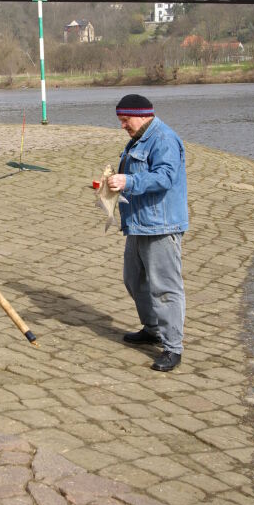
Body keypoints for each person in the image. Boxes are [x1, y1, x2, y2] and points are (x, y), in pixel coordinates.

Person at [107, 94, 188, 372]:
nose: (123, 126)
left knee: (165, 288)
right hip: (139, 224)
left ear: (142, 115)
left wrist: (128, 181)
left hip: (161, 226)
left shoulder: (164, 139)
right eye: (120, 121)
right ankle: (152, 328)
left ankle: (172, 347)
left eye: (125, 120)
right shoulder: (139, 138)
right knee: (133, 279)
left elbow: (165, 177)